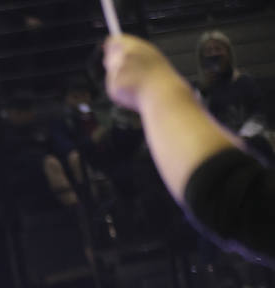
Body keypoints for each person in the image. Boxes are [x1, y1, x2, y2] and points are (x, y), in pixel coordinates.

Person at [103, 34, 275, 264]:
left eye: (219, 48)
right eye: (209, 50)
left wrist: (153, 83)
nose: (214, 54)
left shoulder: (244, 83)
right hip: (214, 151)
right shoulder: (200, 89)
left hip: (245, 147)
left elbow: (237, 200)